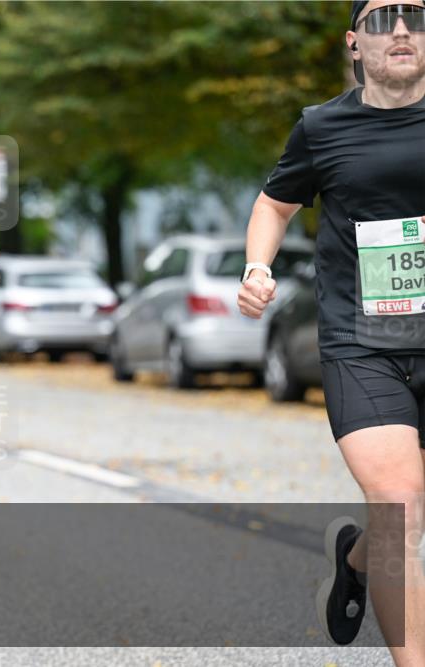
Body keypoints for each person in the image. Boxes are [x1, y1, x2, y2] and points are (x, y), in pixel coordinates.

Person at [238, 2, 424, 662]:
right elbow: (275, 202)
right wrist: (258, 264)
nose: (401, 30)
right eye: (383, 19)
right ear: (354, 43)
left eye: (417, 16)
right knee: (400, 501)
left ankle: (353, 559)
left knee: (398, 515)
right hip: (362, 342)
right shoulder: (322, 127)